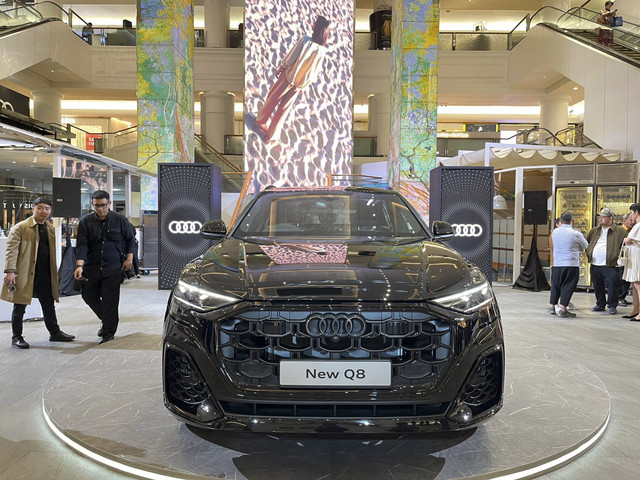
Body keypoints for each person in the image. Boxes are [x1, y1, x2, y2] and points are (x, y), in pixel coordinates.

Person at [1, 197, 75, 348]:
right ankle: (16, 337)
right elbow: (11, 251)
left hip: (45, 273)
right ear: (33, 209)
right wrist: (10, 271)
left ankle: (55, 333)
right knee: (19, 305)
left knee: (48, 304)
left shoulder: (49, 228)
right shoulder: (20, 227)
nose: (43, 211)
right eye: (40, 208)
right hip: (24, 272)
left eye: (47, 209)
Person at [255, 15, 330, 141]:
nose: (313, 24)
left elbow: (291, 58)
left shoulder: (306, 39)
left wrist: (282, 67)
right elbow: (314, 71)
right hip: (299, 84)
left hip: (288, 76)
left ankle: (260, 120)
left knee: (273, 98)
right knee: (283, 110)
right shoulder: (322, 50)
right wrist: (304, 86)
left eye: (315, 23)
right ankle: (272, 136)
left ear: (317, 27)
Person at [74, 190, 135, 344]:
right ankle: (107, 319)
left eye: (102, 205)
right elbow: (82, 245)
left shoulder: (120, 220)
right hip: (91, 266)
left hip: (113, 266)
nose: (100, 209)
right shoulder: (86, 221)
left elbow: (130, 240)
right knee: (88, 295)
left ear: (109, 204)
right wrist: (79, 265)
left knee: (110, 301)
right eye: (96, 206)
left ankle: (108, 331)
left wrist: (129, 259)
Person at [585, 207, 627, 314]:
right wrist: (588, 252)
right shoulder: (594, 230)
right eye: (600, 217)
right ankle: (600, 304)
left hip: (611, 263)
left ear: (610, 219)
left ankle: (612, 305)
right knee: (598, 284)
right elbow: (586, 242)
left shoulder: (620, 231)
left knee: (613, 285)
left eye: (603, 217)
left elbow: (626, 245)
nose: (601, 219)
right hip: (595, 263)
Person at [549, 211, 588, 318]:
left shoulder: (555, 232)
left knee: (556, 285)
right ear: (573, 221)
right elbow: (585, 245)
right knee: (568, 285)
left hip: (557, 263)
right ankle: (563, 309)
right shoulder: (575, 233)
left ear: (560, 221)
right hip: (571, 263)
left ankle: (552, 306)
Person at [622, 203, 640, 322]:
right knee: (634, 284)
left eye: (632, 213)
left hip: (637, 257)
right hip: (634, 257)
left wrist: (625, 239)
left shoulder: (638, 226)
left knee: (638, 285)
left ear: (637, 212)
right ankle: (636, 309)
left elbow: (628, 240)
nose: (631, 216)